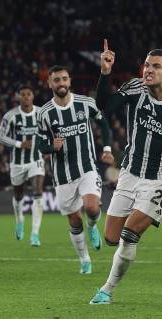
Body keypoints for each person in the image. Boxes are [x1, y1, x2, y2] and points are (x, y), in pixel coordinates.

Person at [89, 40, 162, 304]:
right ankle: (131, 229)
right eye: (146, 65)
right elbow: (104, 109)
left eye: (155, 66)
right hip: (130, 174)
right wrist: (105, 72)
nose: (148, 70)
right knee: (111, 238)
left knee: (129, 235)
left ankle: (106, 290)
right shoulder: (134, 88)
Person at [37, 65, 113, 274]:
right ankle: (84, 260)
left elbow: (104, 124)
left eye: (64, 79)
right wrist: (52, 146)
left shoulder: (86, 103)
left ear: (69, 81)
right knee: (74, 220)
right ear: (50, 83)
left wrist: (107, 149)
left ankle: (93, 226)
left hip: (87, 167)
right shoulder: (44, 113)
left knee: (92, 207)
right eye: (56, 80)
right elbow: (40, 144)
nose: (61, 83)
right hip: (62, 176)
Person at [0, 85, 48, 247]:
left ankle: (35, 234)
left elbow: (50, 131)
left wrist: (47, 146)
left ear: (33, 96)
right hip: (17, 163)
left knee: (38, 192)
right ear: (19, 98)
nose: (26, 97)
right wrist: (19, 144)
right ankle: (19, 219)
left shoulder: (41, 113)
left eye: (29, 94)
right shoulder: (11, 116)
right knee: (18, 195)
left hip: (36, 160)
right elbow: (0, 137)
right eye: (23, 95)